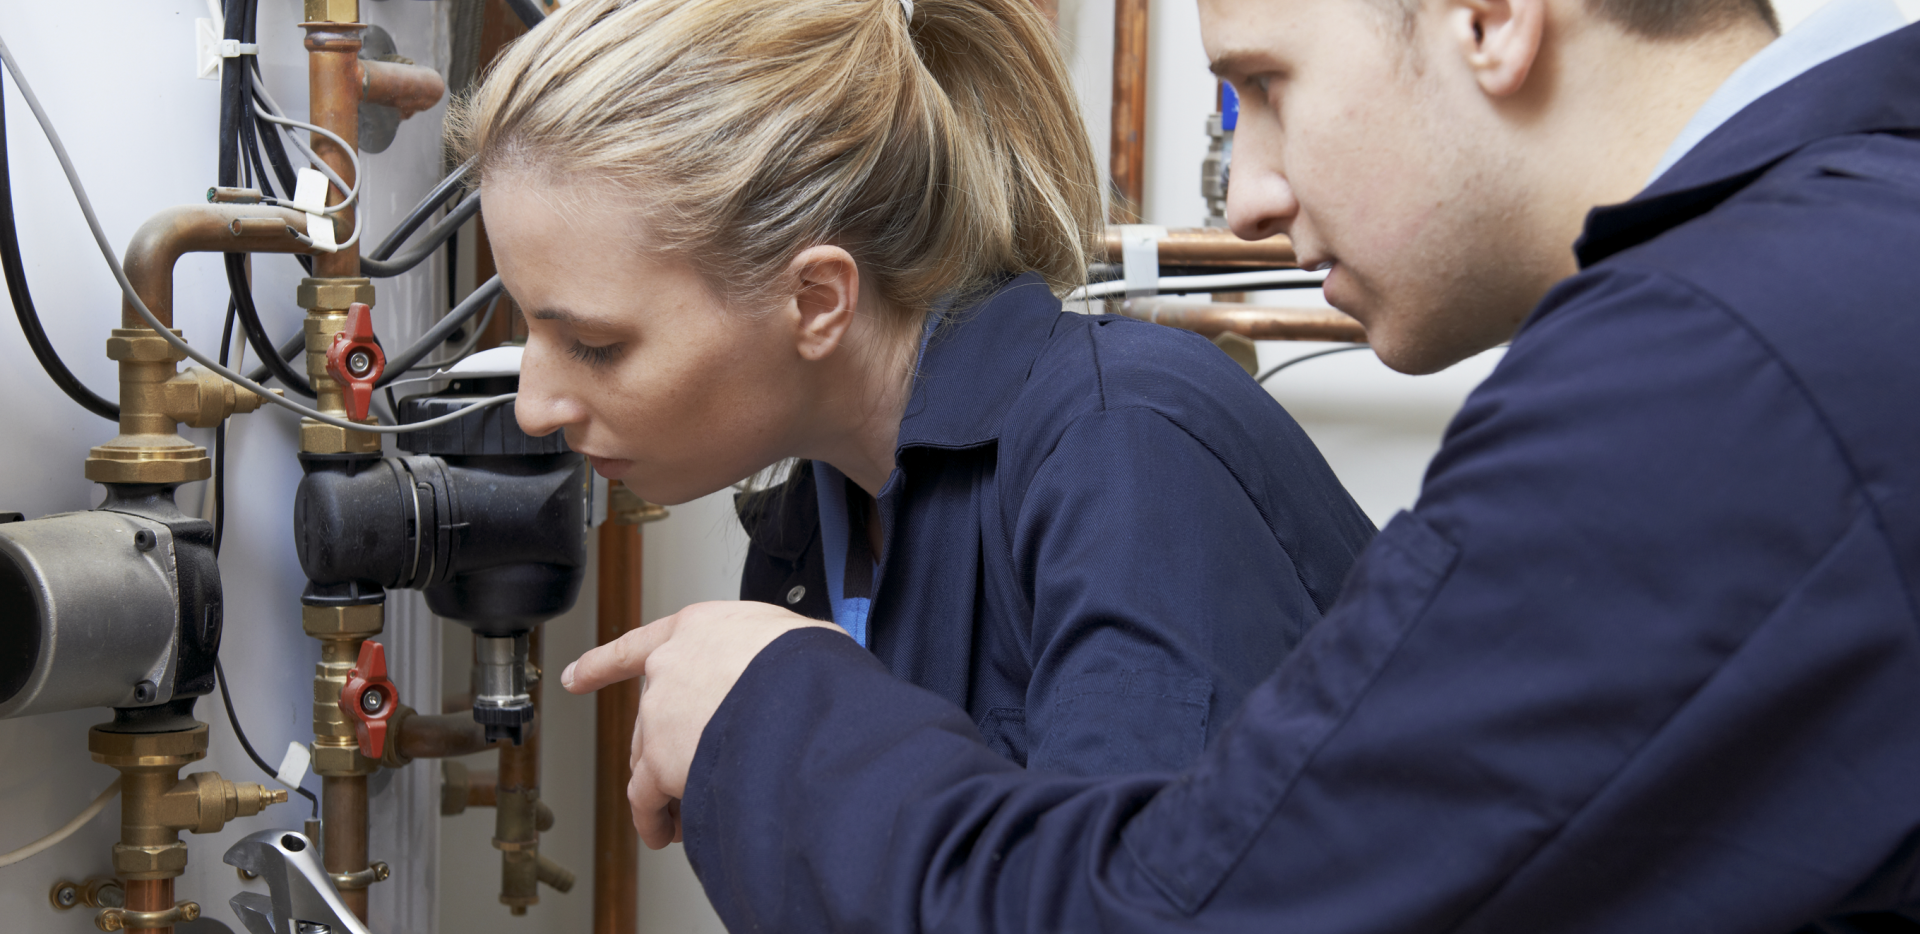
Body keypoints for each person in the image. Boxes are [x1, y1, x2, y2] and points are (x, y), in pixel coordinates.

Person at [561, 0, 1920, 928]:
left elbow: (1180, 906)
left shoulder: (1719, 359)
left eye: (1266, 84)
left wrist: (768, 707)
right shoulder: (1831, 281)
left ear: (1492, 17)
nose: (1254, 194)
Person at [464, 0, 1376, 782]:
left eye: (593, 343)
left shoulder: (1126, 453)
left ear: (816, 301)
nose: (534, 406)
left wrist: (791, 724)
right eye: (528, 328)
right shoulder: (806, 550)